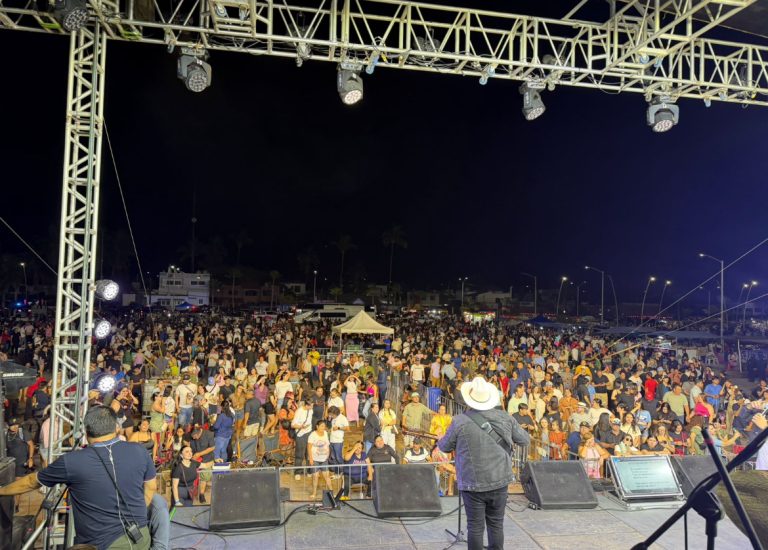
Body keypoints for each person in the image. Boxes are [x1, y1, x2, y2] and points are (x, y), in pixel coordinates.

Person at [0, 406, 159, 549]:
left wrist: (2, 490)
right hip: (140, 536)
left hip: (101, 543)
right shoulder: (139, 451)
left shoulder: (72, 461)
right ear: (117, 428)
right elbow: (151, 487)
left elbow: (31, 481)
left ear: (86, 431)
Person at [438, 376, 530, 550]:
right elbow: (524, 440)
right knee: (496, 524)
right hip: (500, 481)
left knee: (475, 527)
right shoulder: (505, 417)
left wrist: (441, 438)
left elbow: (444, 446)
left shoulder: (459, 421)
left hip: (473, 484)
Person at [307, 420, 333, 499]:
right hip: (315, 459)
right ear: (317, 426)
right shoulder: (312, 435)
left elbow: (327, 444)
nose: (323, 428)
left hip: (324, 459)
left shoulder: (325, 433)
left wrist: (328, 454)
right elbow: (309, 447)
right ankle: (314, 493)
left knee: (327, 476)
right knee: (315, 476)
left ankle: (331, 492)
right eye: (321, 426)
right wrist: (311, 458)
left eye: (324, 426)